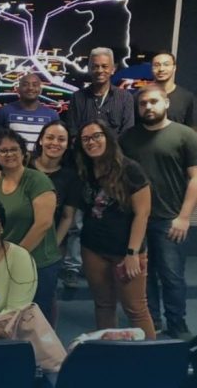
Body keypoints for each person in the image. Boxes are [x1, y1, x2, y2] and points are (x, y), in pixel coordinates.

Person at [120, 85, 197, 340]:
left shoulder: (185, 135)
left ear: (166, 103)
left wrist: (184, 217)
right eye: (143, 103)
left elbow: (195, 178)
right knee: (143, 276)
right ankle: (151, 322)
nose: (148, 107)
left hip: (169, 219)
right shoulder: (127, 138)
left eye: (153, 101)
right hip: (135, 220)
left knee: (172, 276)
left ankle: (177, 324)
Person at [75, 120, 155, 339]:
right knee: (103, 304)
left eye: (96, 136)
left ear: (108, 138)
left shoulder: (130, 169)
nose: (91, 142)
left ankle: (152, 356)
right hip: (93, 248)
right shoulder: (85, 169)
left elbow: (142, 213)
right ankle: (109, 352)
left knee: (136, 309)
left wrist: (132, 253)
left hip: (125, 251)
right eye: (86, 139)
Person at [0, 129, 61, 325]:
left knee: (36, 323)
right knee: (8, 319)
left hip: (38, 263)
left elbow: (43, 224)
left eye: (14, 149)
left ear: (23, 153)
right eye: (3, 151)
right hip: (5, 263)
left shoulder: (38, 180)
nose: (9, 154)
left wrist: (15, 257)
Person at [30, 121, 80, 289]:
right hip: (19, 240)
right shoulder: (24, 167)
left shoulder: (71, 176)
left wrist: (53, 245)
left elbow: (67, 216)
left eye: (61, 139)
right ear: (40, 140)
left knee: (46, 294)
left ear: (67, 144)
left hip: (49, 247)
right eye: (50, 137)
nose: (55, 143)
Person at [65, 47, 134, 136]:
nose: (100, 70)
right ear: (89, 69)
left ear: (113, 69)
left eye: (104, 66)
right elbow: (73, 132)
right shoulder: (77, 97)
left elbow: (127, 134)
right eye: (95, 66)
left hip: (115, 145)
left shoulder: (125, 98)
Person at [0, 74, 59, 151]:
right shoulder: (3, 112)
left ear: (40, 90)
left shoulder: (52, 115)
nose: (30, 88)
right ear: (18, 89)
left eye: (35, 85)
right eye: (25, 85)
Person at [149, 52, 194, 126]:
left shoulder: (186, 97)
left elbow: (192, 128)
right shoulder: (141, 96)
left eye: (166, 64)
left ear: (174, 68)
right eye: (156, 65)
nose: (161, 69)